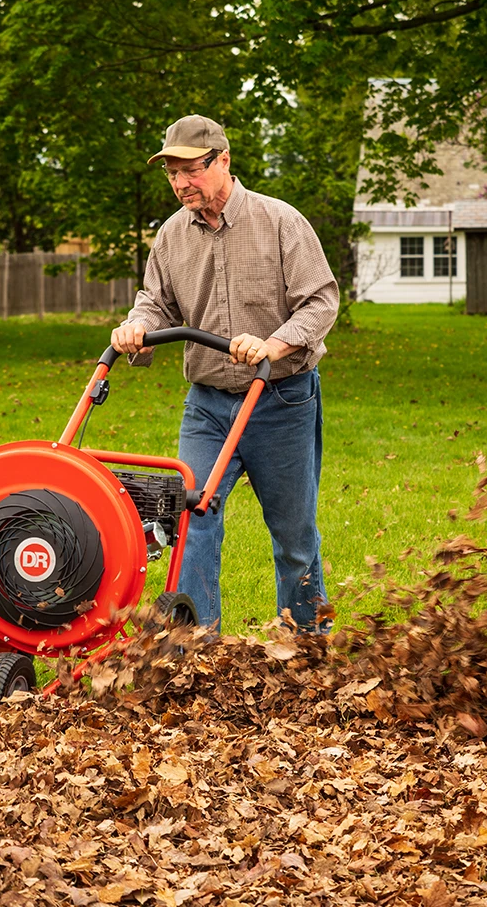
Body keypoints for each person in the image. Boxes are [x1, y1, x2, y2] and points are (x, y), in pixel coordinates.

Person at [111, 114, 339, 633]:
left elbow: (320, 302)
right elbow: (156, 302)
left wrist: (272, 345)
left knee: (293, 533)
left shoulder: (280, 221)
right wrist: (135, 327)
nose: (180, 183)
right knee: (192, 517)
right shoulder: (171, 236)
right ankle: (195, 649)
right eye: (172, 172)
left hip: (280, 400)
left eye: (191, 170)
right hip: (208, 405)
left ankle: (307, 643)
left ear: (224, 162)